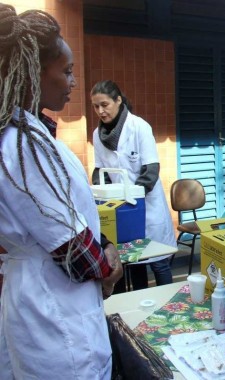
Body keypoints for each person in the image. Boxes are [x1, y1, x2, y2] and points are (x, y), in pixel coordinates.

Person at [0, 4, 123, 378]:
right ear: (33, 73)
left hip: (46, 298)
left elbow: (66, 213)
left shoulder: (27, 133)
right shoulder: (21, 144)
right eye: (66, 71)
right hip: (56, 314)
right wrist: (108, 266)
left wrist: (102, 243)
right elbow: (70, 246)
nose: (73, 82)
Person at [90, 80, 175, 290]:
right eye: (96, 106)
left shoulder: (139, 127)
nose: (100, 111)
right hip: (122, 210)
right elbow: (101, 172)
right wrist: (107, 199)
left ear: (118, 101)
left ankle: (165, 302)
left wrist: (132, 201)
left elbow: (151, 171)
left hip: (147, 207)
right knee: (133, 260)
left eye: (105, 104)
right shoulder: (97, 135)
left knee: (158, 262)